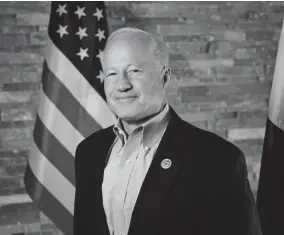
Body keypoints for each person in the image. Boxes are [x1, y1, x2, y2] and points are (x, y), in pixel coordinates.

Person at [73, 27, 262, 235]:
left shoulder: (218, 159)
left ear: (164, 77)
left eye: (134, 71)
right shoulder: (88, 152)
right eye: (111, 74)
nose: (122, 85)